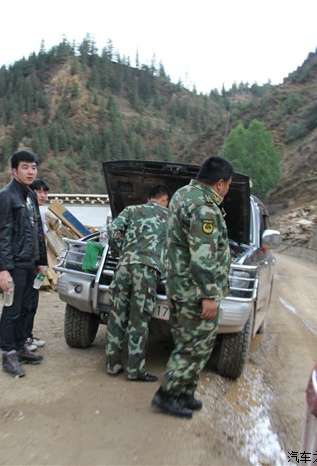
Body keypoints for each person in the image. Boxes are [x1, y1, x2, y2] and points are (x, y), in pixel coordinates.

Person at [151, 156, 233, 419]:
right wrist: (209, 294)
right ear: (220, 183)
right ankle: (167, 394)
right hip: (195, 292)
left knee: (187, 341)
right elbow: (203, 255)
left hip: (180, 285)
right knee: (195, 345)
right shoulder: (203, 207)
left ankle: (184, 392)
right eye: (228, 185)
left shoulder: (182, 194)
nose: (227, 190)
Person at [105, 185, 171, 382]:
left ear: (149, 197)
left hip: (124, 266)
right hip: (147, 269)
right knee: (139, 319)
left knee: (117, 315)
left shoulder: (131, 210)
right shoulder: (169, 216)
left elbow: (113, 229)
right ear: (165, 199)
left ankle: (112, 364)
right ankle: (135, 370)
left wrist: (121, 251)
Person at [0, 150, 48, 377]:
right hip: (14, 264)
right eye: (25, 167)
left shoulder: (30, 196)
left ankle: (21, 346)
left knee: (26, 308)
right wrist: (4, 269)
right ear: (14, 170)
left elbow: (37, 231)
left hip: (30, 264)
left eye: (33, 167)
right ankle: (8, 353)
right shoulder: (6, 197)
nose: (30, 172)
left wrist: (41, 261)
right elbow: (2, 235)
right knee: (12, 310)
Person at [25, 179, 51, 351]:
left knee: (32, 303)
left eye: (45, 192)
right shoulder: (26, 211)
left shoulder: (40, 213)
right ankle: (22, 339)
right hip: (26, 264)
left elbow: (41, 240)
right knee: (24, 303)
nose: (43, 196)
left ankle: (28, 336)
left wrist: (42, 262)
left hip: (36, 265)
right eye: (39, 192)